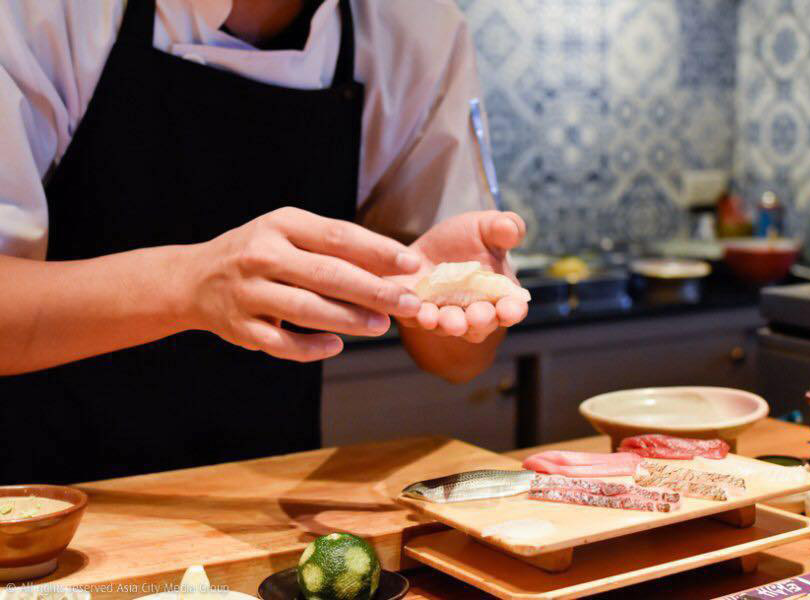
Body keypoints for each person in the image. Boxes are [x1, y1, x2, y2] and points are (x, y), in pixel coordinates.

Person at [0, 0, 529, 484]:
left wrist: (451, 293)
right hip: (37, 508)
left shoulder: (412, 28)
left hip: (270, 505)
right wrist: (190, 285)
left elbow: (458, 362)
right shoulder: (47, 12)